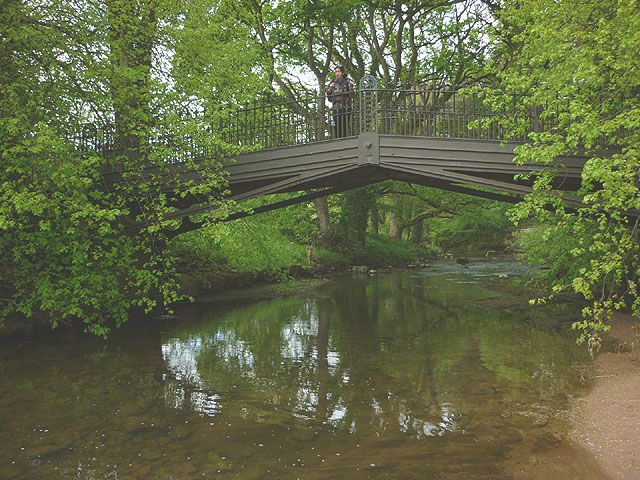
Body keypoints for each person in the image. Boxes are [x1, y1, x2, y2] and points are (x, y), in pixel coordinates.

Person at [325, 65, 355, 138]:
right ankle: (338, 139)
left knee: (344, 125)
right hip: (336, 107)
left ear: (343, 72)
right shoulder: (333, 82)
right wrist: (329, 90)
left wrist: (351, 87)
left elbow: (352, 95)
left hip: (346, 106)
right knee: (336, 125)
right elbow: (329, 97)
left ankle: (343, 139)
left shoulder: (348, 81)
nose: (337, 73)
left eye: (339, 71)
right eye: (336, 72)